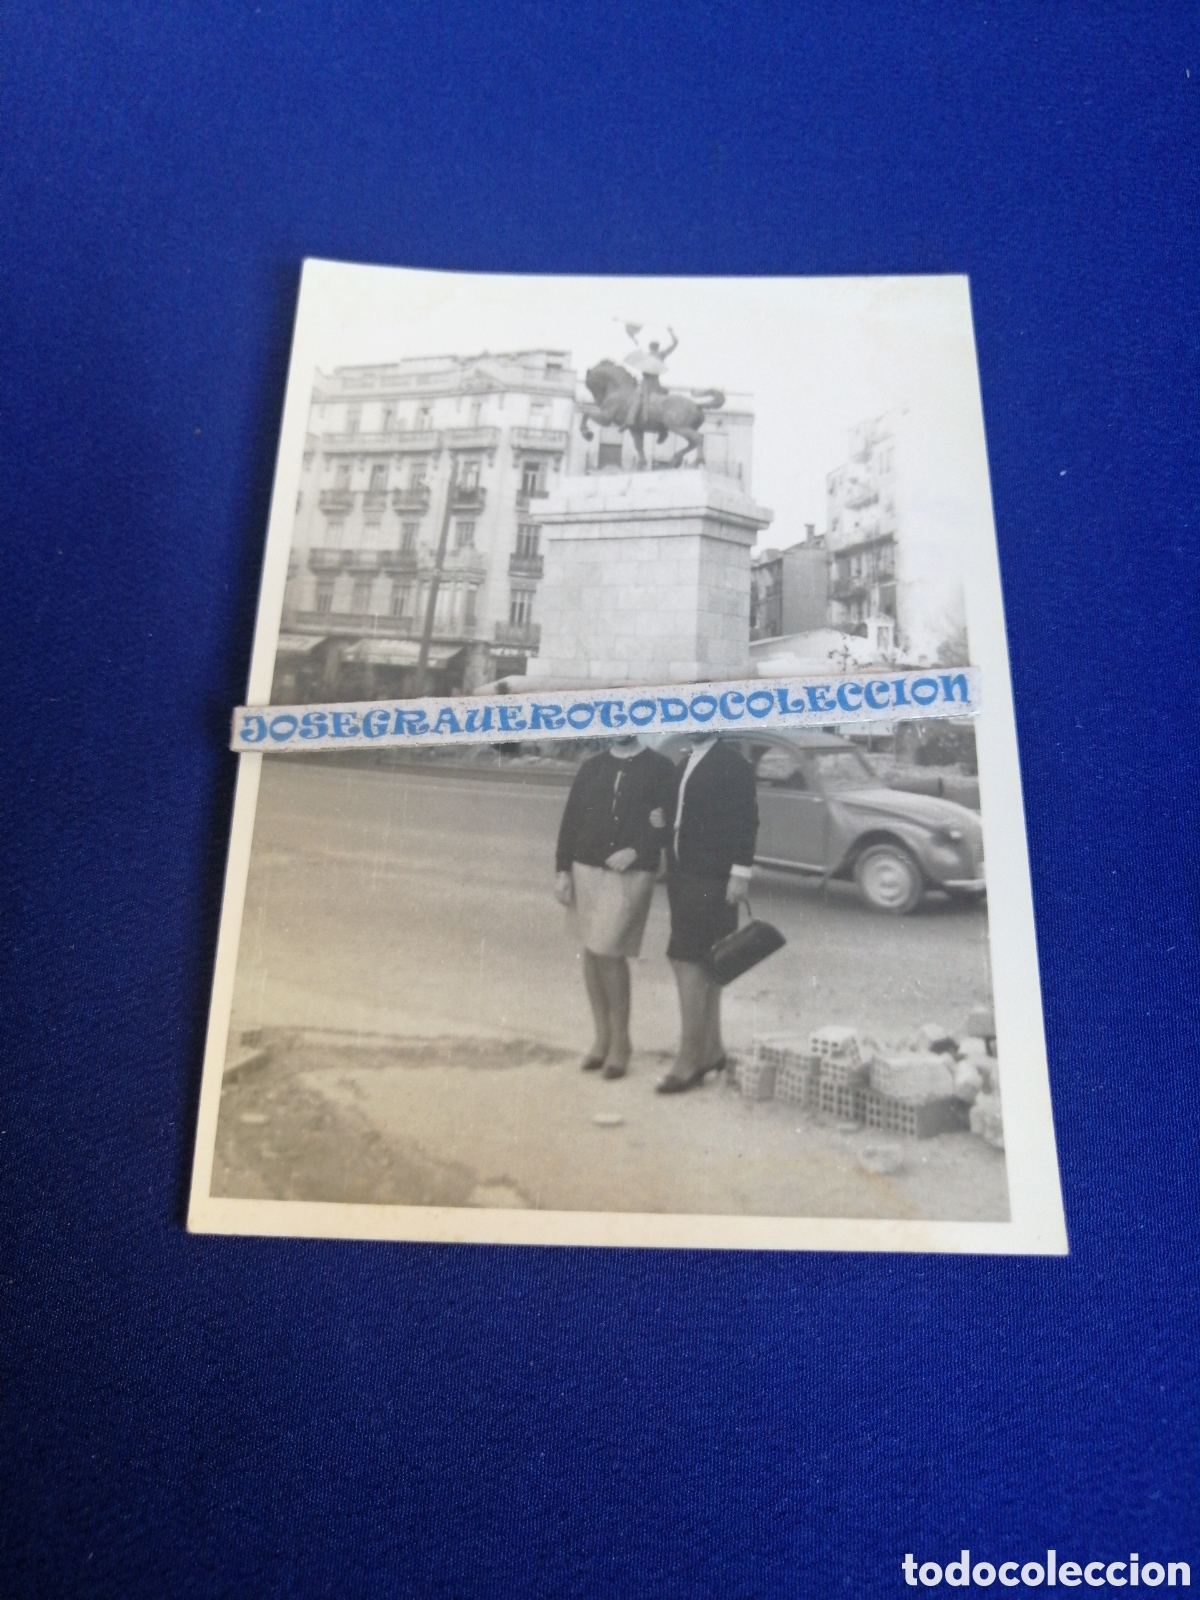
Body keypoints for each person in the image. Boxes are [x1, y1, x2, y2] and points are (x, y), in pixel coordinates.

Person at [555, 737, 676, 1079]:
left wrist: (637, 849)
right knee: (592, 952)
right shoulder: (592, 767)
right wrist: (562, 870)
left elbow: (667, 823)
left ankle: (621, 1042)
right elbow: (571, 819)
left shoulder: (660, 768)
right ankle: (601, 1037)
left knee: (609, 951)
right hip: (586, 867)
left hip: (630, 872)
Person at [657, 735, 759, 1094]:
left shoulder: (733, 764)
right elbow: (679, 814)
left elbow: (747, 821)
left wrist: (740, 873)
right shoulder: (686, 762)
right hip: (683, 875)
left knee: (685, 959)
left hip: (712, 877)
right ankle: (712, 1050)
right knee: (707, 961)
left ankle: (689, 1061)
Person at [622, 325, 678, 432]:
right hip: (650, 381)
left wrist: (671, 332)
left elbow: (675, 343)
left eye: (653, 346)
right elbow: (675, 343)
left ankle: (630, 419)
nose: (653, 347)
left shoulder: (653, 355)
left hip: (650, 382)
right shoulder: (653, 355)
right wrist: (671, 332)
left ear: (652, 347)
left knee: (637, 396)